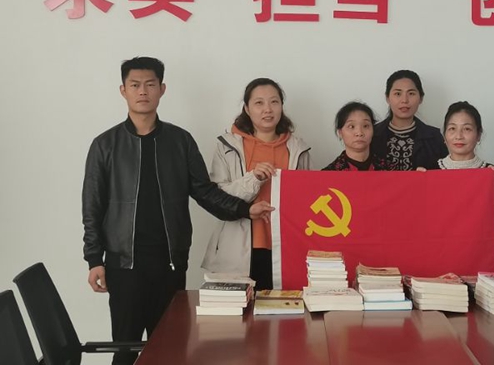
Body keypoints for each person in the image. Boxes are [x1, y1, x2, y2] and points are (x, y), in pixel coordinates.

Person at [82, 57, 273, 365]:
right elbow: (92, 207)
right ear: (123, 90)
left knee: (171, 351)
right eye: (135, 85)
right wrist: (94, 259)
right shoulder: (105, 145)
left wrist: (244, 209)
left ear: (162, 89)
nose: (142, 91)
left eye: (150, 84)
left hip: (169, 264)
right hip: (122, 266)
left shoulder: (180, 141)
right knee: (125, 350)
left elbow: (205, 192)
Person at [202, 78, 311, 290]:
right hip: (238, 247)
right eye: (259, 103)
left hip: (286, 247)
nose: (267, 109)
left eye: (274, 102)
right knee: (240, 310)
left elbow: (308, 200)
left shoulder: (299, 149)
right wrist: (254, 179)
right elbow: (217, 197)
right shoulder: (227, 146)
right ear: (247, 108)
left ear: (281, 106)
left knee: (283, 309)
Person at [434, 101, 494, 273]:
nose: (459, 136)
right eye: (452, 129)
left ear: (478, 135)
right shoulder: (430, 171)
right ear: (444, 135)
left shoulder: (491, 173)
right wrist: (418, 183)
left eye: (467, 129)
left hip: (480, 262)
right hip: (439, 260)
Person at [370, 70, 447, 170]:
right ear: (387, 98)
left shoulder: (434, 138)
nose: (404, 100)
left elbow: (445, 175)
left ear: (421, 98)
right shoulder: (372, 135)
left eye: (411, 93)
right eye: (398, 94)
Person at [324, 101, 393, 171]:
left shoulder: (389, 169)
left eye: (365, 126)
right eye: (351, 126)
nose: (359, 133)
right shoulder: (328, 173)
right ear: (340, 132)